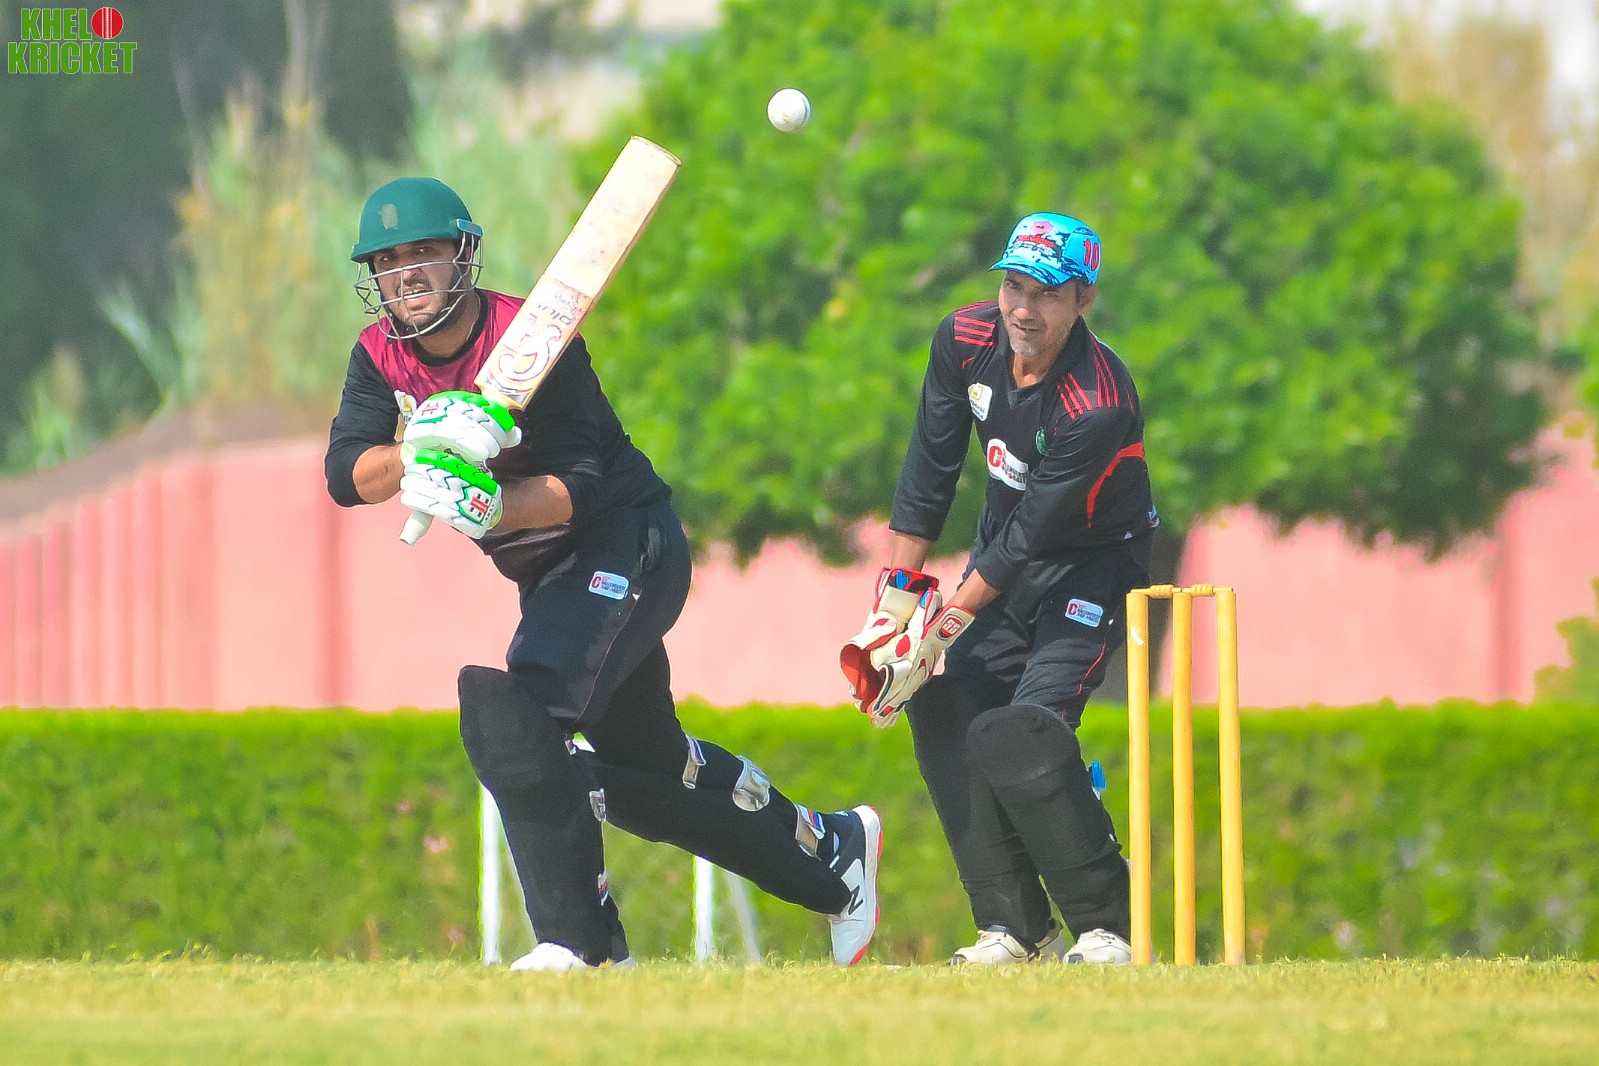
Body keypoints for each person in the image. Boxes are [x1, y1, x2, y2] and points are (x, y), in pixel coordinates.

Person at [325, 176, 881, 970]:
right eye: (388, 261)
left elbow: (579, 487)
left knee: (521, 712)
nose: (407, 272)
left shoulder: (530, 339)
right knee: (643, 775)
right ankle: (833, 855)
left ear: (462, 255)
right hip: (551, 578)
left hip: (625, 543)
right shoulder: (378, 355)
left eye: (424, 252)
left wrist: (491, 506)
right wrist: (413, 450)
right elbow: (347, 474)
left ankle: (582, 946)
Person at [840, 212, 1156, 965]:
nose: (1023, 309)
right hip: (1000, 560)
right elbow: (930, 466)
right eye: (1014, 286)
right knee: (948, 714)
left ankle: (1110, 927)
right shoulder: (964, 338)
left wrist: (943, 625)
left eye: (1047, 294)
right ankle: (1015, 930)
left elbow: (1033, 531)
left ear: (1083, 299)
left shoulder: (1096, 402)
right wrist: (896, 603)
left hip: (1090, 565)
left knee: (1022, 733)